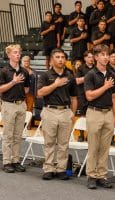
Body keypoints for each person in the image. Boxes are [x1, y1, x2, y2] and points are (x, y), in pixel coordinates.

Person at [37, 48, 77, 180]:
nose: (61, 59)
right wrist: (55, 84)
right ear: (52, 60)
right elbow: (40, 93)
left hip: (65, 111)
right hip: (50, 111)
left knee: (63, 143)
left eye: (63, 57)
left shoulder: (70, 76)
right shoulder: (45, 75)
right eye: (58, 57)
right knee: (49, 142)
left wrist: (73, 113)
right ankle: (48, 168)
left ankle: (61, 169)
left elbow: (74, 97)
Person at [84, 44, 115, 189]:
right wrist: (105, 86)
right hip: (94, 112)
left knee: (105, 148)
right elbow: (89, 96)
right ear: (96, 57)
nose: (106, 57)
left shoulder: (111, 74)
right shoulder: (90, 74)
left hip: (108, 113)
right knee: (93, 146)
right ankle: (91, 175)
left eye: (107, 54)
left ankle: (102, 175)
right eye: (102, 55)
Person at [0, 44, 30, 173]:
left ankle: (15, 161)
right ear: (9, 55)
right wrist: (13, 82)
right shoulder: (4, 71)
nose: (18, 54)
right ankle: (7, 161)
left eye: (19, 52)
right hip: (8, 104)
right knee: (8, 135)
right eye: (15, 52)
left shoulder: (24, 71)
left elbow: (26, 89)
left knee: (18, 135)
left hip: (21, 104)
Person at [76, 51, 95, 142]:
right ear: (85, 58)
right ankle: (81, 135)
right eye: (89, 57)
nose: (91, 59)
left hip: (93, 95)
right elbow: (77, 81)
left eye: (92, 57)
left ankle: (89, 135)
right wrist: (89, 77)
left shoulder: (96, 68)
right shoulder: (80, 68)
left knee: (91, 117)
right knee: (82, 116)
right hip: (82, 94)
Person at [22, 56, 36, 130]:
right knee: (22, 109)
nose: (26, 62)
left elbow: (35, 82)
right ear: (22, 62)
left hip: (31, 93)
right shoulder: (20, 70)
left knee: (30, 109)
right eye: (25, 61)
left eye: (27, 61)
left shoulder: (33, 71)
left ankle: (28, 125)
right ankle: (21, 125)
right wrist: (28, 74)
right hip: (21, 93)